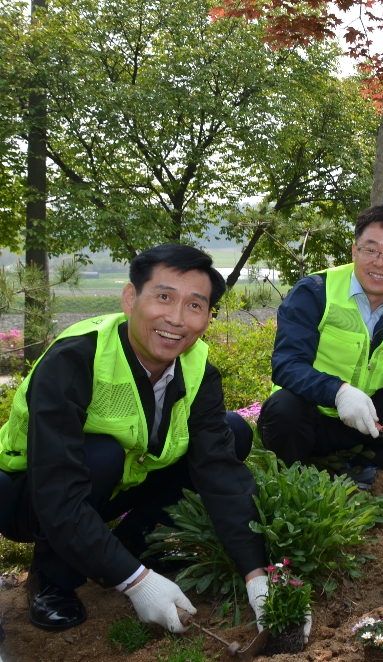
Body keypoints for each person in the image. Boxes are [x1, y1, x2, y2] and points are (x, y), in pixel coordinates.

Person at [0, 245, 273, 634]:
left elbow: (220, 471)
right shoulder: (76, 358)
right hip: (29, 493)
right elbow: (57, 489)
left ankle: (130, 548)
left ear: (208, 318)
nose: (176, 319)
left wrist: (255, 573)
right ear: (130, 298)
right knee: (103, 453)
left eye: (195, 306)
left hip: (121, 481)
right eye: (164, 297)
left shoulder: (199, 371)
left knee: (233, 433)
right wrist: (136, 583)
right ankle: (52, 579)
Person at [258, 205, 383, 483]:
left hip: (370, 421)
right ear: (354, 251)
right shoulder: (316, 291)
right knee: (283, 408)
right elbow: (287, 365)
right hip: (315, 417)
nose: (380, 263)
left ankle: (376, 472)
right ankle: (294, 481)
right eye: (370, 250)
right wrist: (339, 392)